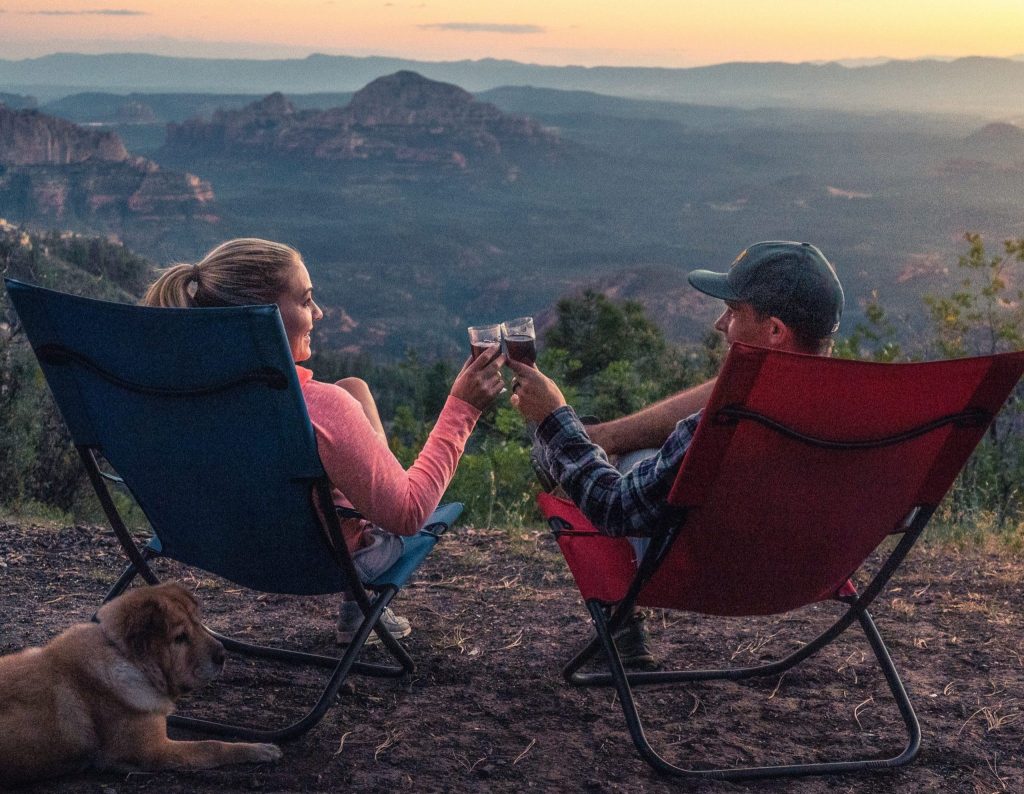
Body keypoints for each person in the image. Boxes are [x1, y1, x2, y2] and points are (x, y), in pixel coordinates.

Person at [143, 238, 506, 644]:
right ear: (263, 315)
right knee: (388, 485)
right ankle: (360, 600)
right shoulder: (321, 411)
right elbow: (408, 515)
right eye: (305, 300)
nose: (319, 313)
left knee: (355, 388)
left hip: (217, 545)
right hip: (317, 560)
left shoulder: (175, 394)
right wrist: (463, 407)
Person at [508, 241, 844, 666]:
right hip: (812, 571)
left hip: (704, 571)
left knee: (573, 454)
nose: (720, 324)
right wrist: (604, 435)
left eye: (734, 312)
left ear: (775, 331)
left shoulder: (727, 427)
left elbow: (614, 507)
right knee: (620, 449)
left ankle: (622, 629)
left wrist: (555, 418)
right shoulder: (865, 414)